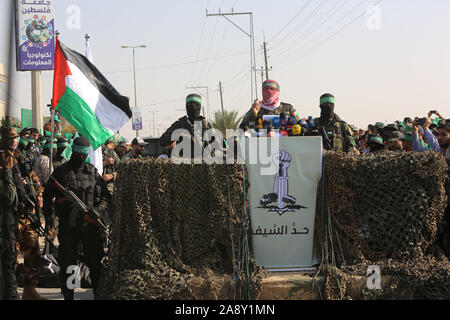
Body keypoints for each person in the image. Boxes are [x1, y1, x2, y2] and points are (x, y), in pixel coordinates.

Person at [43, 137, 110, 300]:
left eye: (83, 154)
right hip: (69, 226)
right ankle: (69, 296)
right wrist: (49, 220)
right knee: (69, 264)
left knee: (95, 263)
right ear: (73, 151)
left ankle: (98, 294)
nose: (81, 157)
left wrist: (97, 210)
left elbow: (106, 196)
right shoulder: (60, 172)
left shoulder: (93, 171)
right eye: (78, 153)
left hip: (91, 226)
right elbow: (46, 197)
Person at [0, 127, 21, 299]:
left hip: (11, 217)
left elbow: (24, 182)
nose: (14, 141)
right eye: (10, 138)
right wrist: (6, 172)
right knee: (8, 256)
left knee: (11, 256)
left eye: (16, 138)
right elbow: (7, 196)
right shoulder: (4, 162)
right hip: (4, 218)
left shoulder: (16, 158)